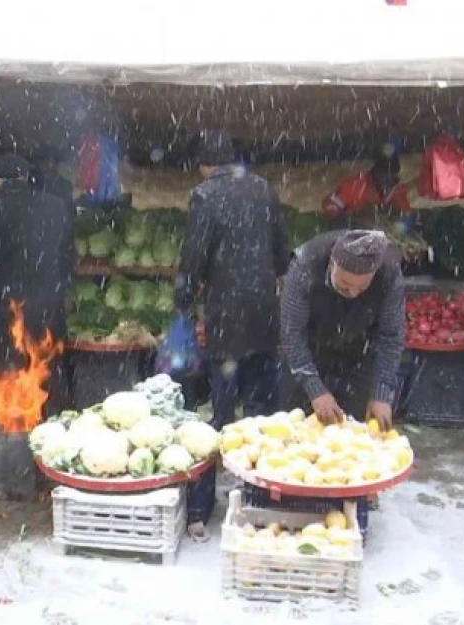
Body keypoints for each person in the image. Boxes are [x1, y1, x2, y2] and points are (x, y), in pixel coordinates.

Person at [175, 129, 290, 542]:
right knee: (263, 411)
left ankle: (203, 509)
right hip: (264, 314)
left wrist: (182, 304)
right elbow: (282, 251)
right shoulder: (263, 189)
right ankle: (263, 498)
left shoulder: (206, 196)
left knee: (220, 414)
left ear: (205, 166)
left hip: (226, 317)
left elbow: (193, 257)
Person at [0, 153, 75, 415]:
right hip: (48, 309)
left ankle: (17, 439)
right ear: (25, 177)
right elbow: (68, 257)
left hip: (3, 313)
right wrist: (60, 291)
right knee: (50, 373)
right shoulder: (56, 208)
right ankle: (54, 435)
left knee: (10, 380)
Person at [279, 230, 405, 429]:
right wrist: (315, 389)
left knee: (354, 429)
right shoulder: (306, 267)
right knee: (300, 427)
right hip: (311, 349)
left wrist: (381, 393)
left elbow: (391, 336)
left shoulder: (388, 272)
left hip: (360, 351)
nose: (353, 293)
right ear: (332, 264)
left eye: (363, 287)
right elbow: (292, 334)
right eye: (345, 284)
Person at [321, 148, 411, 228]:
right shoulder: (357, 185)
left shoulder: (396, 190)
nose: (389, 179)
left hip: (379, 235)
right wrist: (351, 218)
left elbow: (405, 215)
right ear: (376, 172)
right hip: (352, 231)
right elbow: (329, 204)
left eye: (392, 175)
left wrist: (390, 218)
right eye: (385, 174)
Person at [31, 147, 75, 215]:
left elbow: (68, 212)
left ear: (56, 165)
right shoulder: (33, 182)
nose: (46, 166)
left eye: (48, 162)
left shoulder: (65, 186)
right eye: (42, 163)